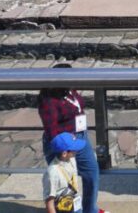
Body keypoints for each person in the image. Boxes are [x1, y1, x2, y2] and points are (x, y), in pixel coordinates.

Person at [37, 64, 107, 213]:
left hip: (79, 137)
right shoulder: (49, 100)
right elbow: (51, 129)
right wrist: (64, 150)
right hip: (64, 142)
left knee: (91, 173)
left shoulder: (68, 90)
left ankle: (90, 209)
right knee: (63, 182)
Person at [43, 132, 84, 213]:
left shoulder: (71, 159)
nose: (76, 150)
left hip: (75, 202)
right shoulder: (52, 173)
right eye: (73, 149)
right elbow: (49, 201)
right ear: (64, 153)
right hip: (63, 209)